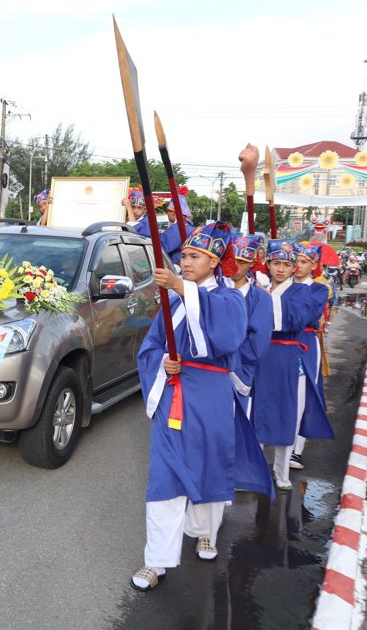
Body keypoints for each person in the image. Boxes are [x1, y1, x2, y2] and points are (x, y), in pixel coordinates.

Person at [131, 222, 271, 592]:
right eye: (183, 256)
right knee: (165, 475)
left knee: (210, 467)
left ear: (213, 262)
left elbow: (225, 338)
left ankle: (204, 533)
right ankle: (156, 561)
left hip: (210, 395)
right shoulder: (173, 301)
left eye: (193, 257)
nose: (185, 262)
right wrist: (163, 361)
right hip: (173, 393)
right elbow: (150, 346)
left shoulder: (229, 300)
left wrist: (182, 287)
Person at [252, 241, 334, 490]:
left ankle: (282, 470)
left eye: (288, 264)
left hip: (291, 357)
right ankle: (253, 471)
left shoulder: (308, 292)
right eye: (277, 263)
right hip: (261, 355)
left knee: (289, 413)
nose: (283, 269)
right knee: (258, 412)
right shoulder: (259, 288)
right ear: (268, 264)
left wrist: (267, 298)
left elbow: (297, 318)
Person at [289, 243, 334, 471]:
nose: (297, 265)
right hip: (278, 346)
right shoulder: (282, 285)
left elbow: (307, 314)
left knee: (302, 395)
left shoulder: (319, 289)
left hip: (305, 344)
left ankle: (296, 451)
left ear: (314, 265)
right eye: (294, 260)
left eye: (304, 261)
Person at [224, 233, 273, 426]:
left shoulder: (261, 298)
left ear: (252, 263)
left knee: (235, 428)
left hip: (238, 369)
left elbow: (257, 344)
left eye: (242, 262)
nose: (236, 266)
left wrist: (229, 361)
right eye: (232, 260)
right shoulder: (212, 289)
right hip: (208, 373)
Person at [160, 188, 196, 265]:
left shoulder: (177, 229)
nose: (168, 214)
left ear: (172, 213)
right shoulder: (191, 227)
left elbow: (160, 249)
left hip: (176, 266)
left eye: (168, 212)